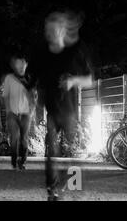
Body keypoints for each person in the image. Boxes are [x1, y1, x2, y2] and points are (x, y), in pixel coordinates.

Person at [30, 11, 93, 201]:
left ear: (62, 30)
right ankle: (52, 190)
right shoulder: (41, 52)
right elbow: (33, 80)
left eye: (53, 29)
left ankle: (72, 187)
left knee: (73, 151)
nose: (50, 32)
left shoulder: (75, 50)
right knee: (52, 150)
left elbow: (89, 80)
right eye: (47, 29)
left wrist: (73, 81)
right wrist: (33, 96)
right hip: (51, 110)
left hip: (70, 111)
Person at [2, 53, 36, 171]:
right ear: (15, 66)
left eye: (23, 64)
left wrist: (31, 110)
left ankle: (22, 161)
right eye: (18, 64)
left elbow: (34, 96)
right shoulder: (9, 79)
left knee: (24, 139)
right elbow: (5, 96)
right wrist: (8, 110)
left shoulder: (29, 79)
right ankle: (14, 162)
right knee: (14, 138)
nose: (21, 66)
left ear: (26, 65)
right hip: (13, 113)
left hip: (26, 113)